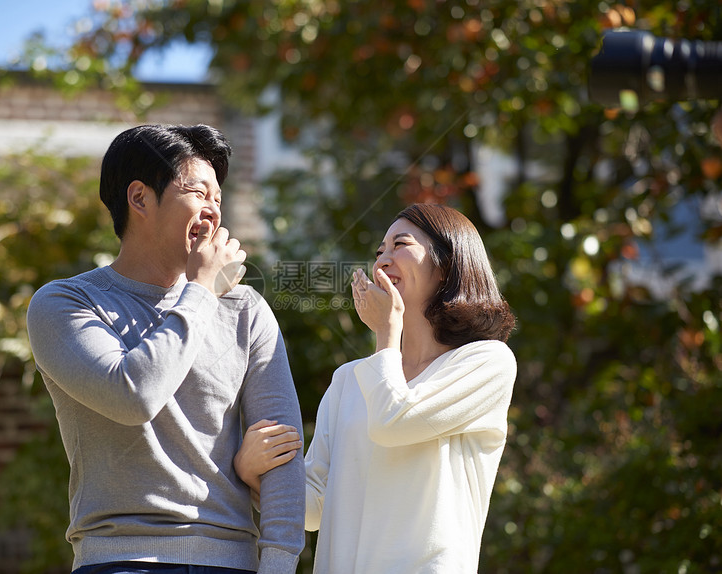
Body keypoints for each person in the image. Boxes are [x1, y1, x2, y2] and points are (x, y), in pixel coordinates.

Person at [26, 124, 305, 574]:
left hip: (233, 563)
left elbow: (284, 453)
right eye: (198, 192)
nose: (213, 211)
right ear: (140, 199)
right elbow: (134, 395)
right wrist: (200, 289)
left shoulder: (246, 309)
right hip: (120, 560)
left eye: (218, 197)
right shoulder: (65, 304)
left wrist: (277, 564)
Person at [235, 203, 517, 573]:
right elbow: (315, 505)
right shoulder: (349, 380)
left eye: (400, 244)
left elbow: (393, 421)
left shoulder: (487, 362)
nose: (383, 259)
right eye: (379, 251)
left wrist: (387, 331)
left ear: (447, 265)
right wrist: (253, 472)